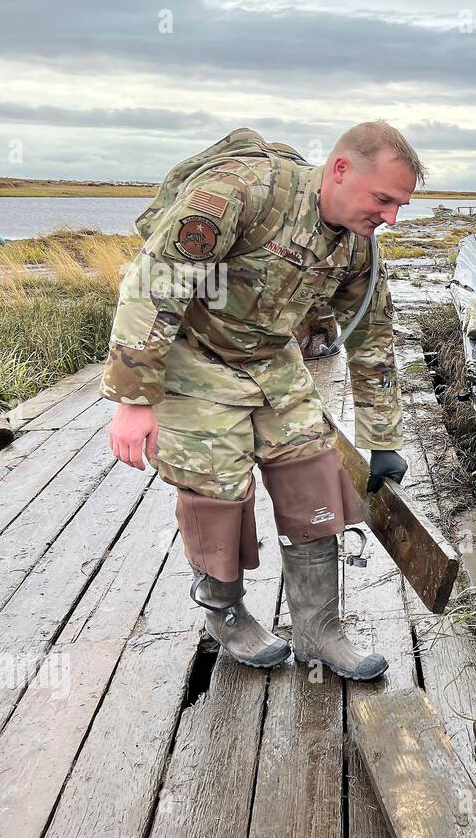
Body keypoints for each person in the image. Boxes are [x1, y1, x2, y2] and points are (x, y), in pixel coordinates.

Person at [102, 122, 422, 677]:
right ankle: (225, 613)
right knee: (217, 491)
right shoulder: (240, 191)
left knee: (315, 474)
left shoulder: (358, 244)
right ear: (341, 170)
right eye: (384, 200)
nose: (390, 218)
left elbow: (373, 335)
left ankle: (318, 629)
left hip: (272, 362)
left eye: (400, 206)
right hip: (192, 360)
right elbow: (155, 285)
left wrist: (383, 437)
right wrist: (133, 400)